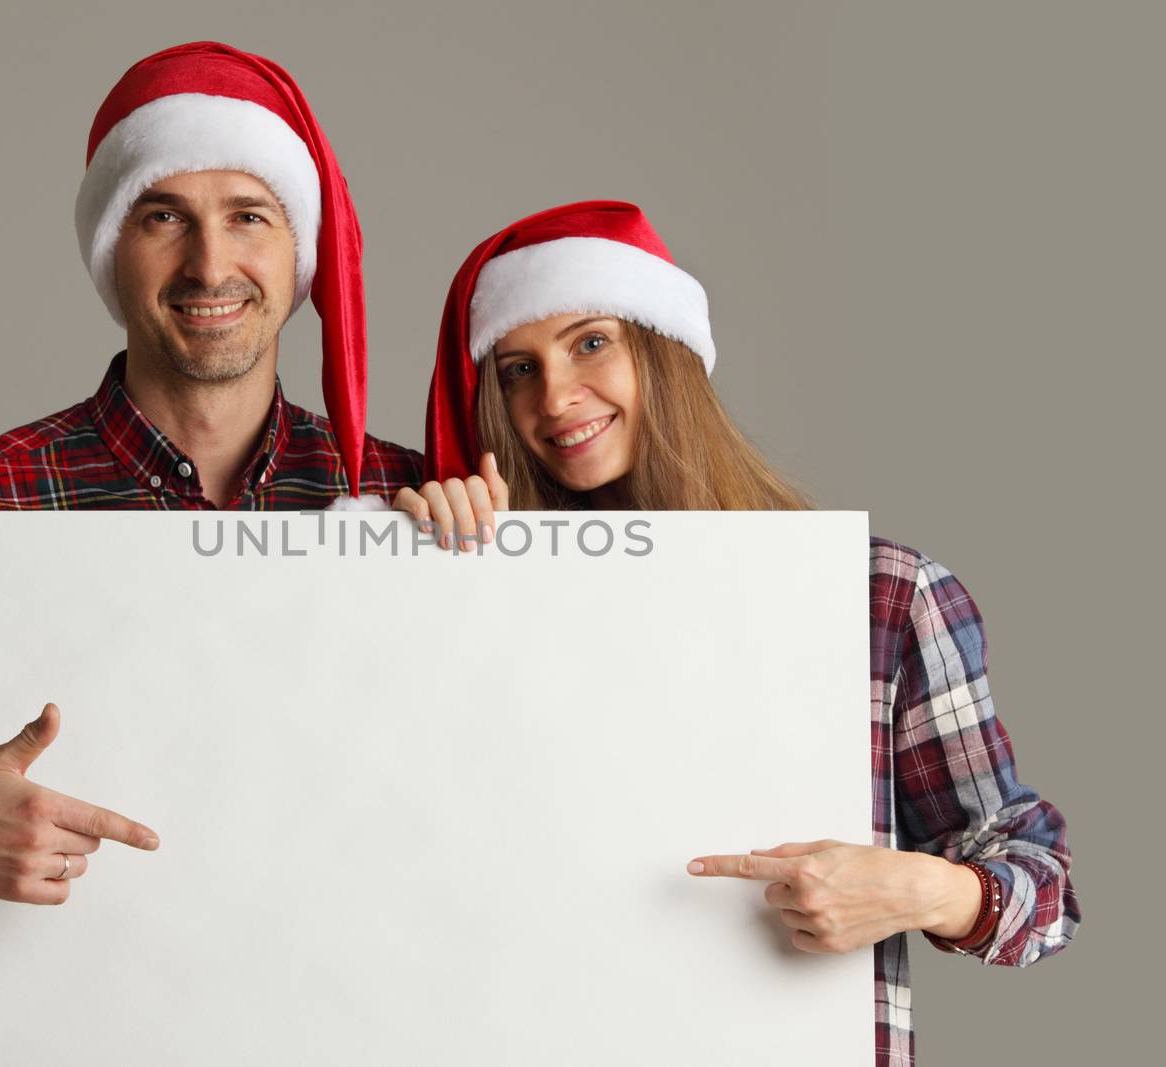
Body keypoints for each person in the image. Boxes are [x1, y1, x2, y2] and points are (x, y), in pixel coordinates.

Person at [0, 42, 421, 1064]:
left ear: (300, 252)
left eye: (248, 215)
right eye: (163, 215)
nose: (211, 265)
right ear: (110, 248)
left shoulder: (415, 505)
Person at [394, 200, 1079, 1064]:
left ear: (663, 346)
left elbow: (1041, 889)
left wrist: (922, 886)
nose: (554, 395)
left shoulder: (882, 596)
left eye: (591, 341)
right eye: (516, 369)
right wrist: (409, 571)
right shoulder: (475, 599)